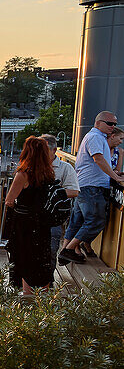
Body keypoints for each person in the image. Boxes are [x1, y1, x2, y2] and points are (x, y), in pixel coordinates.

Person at [60, 111, 124, 264]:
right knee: (96, 220)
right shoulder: (95, 137)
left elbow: (100, 160)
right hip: (92, 187)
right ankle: (69, 250)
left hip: (84, 185)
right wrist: (115, 177)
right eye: (109, 123)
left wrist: (114, 172)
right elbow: (98, 159)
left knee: (77, 220)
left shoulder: (95, 137)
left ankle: (64, 251)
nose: (112, 127)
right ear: (98, 123)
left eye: (115, 124)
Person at [4, 137, 57, 294]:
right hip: (42, 222)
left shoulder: (24, 174)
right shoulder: (49, 173)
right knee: (41, 257)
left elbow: (9, 200)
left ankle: (27, 297)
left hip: (25, 223)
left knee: (25, 258)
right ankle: (43, 297)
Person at [41, 134, 80, 260]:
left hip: (53, 217)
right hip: (32, 216)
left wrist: (53, 193)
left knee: (51, 251)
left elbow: (74, 191)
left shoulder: (65, 167)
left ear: (54, 150)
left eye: (43, 151)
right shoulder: (31, 166)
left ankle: (49, 279)